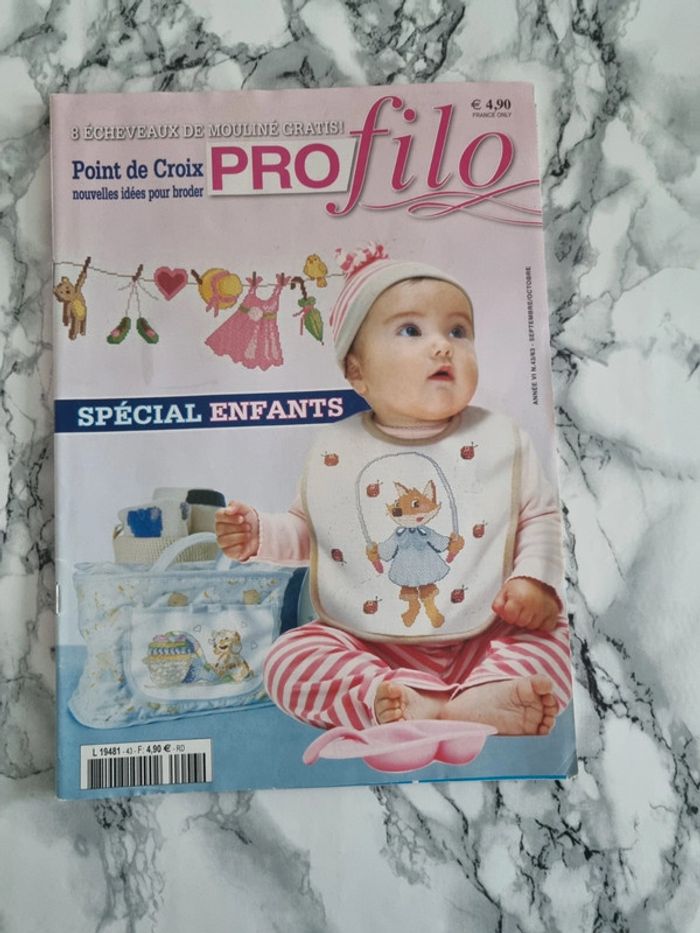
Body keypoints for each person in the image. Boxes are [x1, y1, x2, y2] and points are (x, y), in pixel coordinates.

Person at [216, 245, 572, 736]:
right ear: (357, 371)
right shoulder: (340, 450)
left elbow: (540, 517)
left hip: (484, 634)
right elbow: (313, 533)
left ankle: (481, 694)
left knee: (554, 637)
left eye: (458, 331)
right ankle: (388, 698)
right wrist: (260, 534)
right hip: (371, 649)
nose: (443, 346)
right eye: (411, 330)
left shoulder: (498, 440)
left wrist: (534, 582)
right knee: (287, 658)